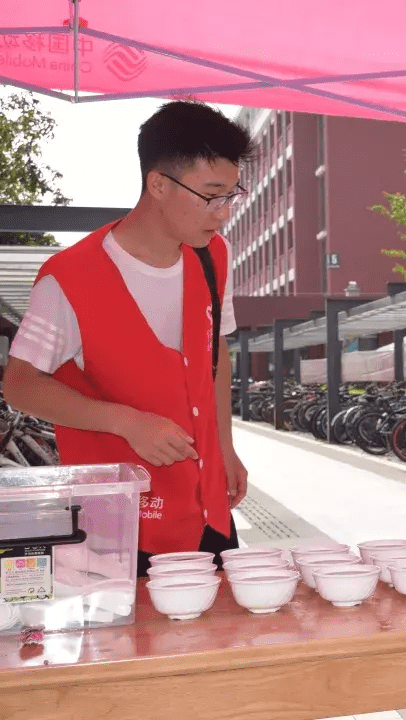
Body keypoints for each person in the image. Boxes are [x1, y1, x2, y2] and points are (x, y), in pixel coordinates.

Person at [3, 101, 254, 576]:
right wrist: (128, 422)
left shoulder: (213, 256)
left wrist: (225, 447)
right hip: (121, 522)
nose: (221, 214)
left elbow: (214, 350)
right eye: (210, 196)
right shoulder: (69, 279)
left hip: (207, 511)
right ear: (158, 184)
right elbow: (19, 385)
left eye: (230, 196)